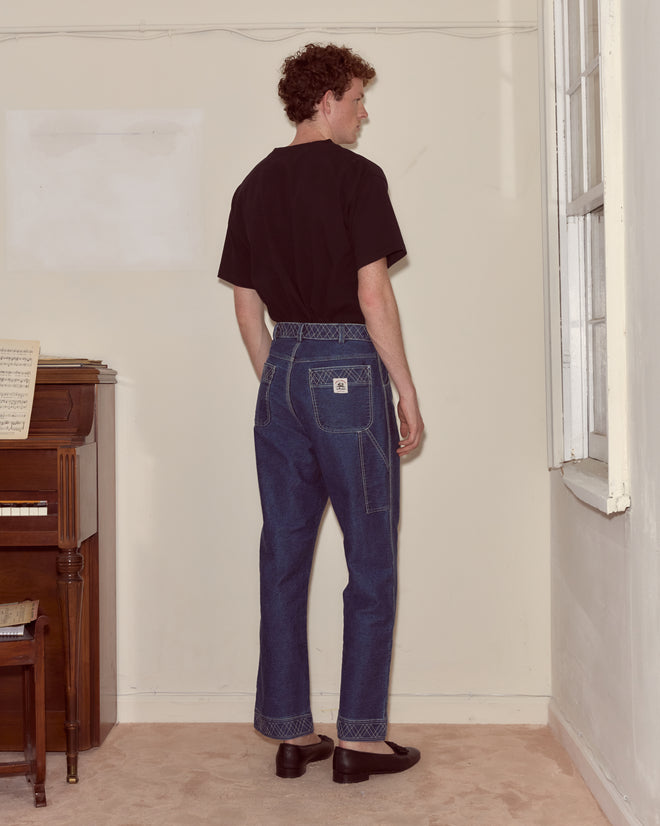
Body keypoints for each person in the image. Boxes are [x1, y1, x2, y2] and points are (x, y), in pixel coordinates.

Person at [218, 42, 423, 784]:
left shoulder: (253, 184)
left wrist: (281, 380)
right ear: (326, 99)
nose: (365, 113)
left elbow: (246, 309)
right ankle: (360, 740)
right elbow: (373, 296)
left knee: (284, 555)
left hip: (280, 373)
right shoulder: (357, 178)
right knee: (370, 558)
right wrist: (404, 387)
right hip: (345, 370)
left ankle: (292, 732)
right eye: (359, 98)